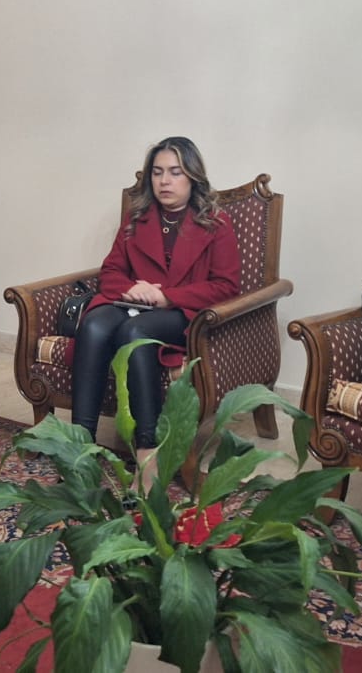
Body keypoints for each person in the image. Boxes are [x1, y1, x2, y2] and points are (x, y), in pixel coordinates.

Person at [69, 137, 241, 471]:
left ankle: (148, 453)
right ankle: (80, 449)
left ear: (193, 177)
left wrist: (167, 297)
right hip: (134, 304)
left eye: (175, 172)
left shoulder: (216, 223)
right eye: (158, 172)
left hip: (183, 313)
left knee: (135, 333)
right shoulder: (138, 217)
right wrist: (134, 288)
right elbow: (110, 272)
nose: (165, 181)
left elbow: (226, 287)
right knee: (93, 325)